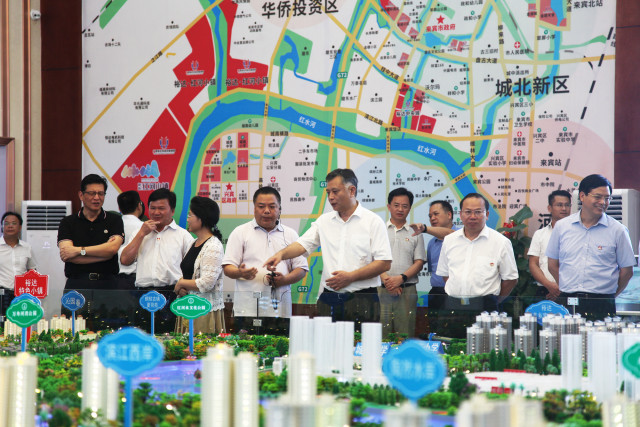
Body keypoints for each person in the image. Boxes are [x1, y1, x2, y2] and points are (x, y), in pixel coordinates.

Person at [264, 168, 392, 327]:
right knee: (325, 341)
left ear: (352, 191)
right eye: (328, 192)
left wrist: (351, 277)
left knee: (361, 342)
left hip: (362, 298)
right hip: (329, 298)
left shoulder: (373, 221)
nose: (330, 197)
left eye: (335, 192)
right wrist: (281, 255)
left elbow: (384, 263)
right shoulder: (324, 221)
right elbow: (302, 245)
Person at [547, 174, 635, 319]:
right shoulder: (562, 227)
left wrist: (609, 295)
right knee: (567, 334)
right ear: (582, 196)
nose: (603, 202)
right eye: (598, 197)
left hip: (602, 302)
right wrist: (568, 286)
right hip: (568, 300)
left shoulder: (618, 230)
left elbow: (627, 271)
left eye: (607, 198)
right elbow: (552, 264)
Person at [222, 187, 308, 334]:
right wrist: (240, 273)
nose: (266, 211)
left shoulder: (290, 234)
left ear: (280, 209)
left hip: (280, 311)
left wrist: (284, 280)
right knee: (246, 348)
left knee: (280, 348)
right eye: (261, 206)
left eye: (272, 206)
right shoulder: (240, 232)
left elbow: (301, 269)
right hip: (246, 310)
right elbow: (228, 267)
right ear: (254, 209)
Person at [436, 193, 518, 329]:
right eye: (468, 212)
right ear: (461, 214)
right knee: (452, 341)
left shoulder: (501, 242)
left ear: (487, 214)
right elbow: (446, 274)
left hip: (486, 308)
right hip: (453, 306)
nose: (473, 216)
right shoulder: (449, 240)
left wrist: (492, 300)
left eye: (478, 212)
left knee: (485, 343)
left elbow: (511, 279)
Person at [120, 188, 194, 332]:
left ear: (172, 210)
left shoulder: (183, 236)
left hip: (172, 295)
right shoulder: (139, 233)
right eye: (152, 208)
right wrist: (141, 234)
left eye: (161, 208)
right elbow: (125, 260)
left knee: (171, 339)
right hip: (143, 295)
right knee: (144, 338)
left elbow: (192, 269)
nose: (156, 212)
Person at [57, 174, 124, 291]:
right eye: (92, 193)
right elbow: (67, 255)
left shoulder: (114, 220)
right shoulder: (68, 222)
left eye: (101, 193)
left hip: (107, 284)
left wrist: (78, 251)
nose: (97, 197)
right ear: (81, 195)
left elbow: (112, 249)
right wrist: (104, 254)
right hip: (76, 284)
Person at [378, 188, 426, 338]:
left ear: (410, 208)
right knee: (381, 334)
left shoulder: (415, 232)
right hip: (381, 289)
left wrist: (401, 279)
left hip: (407, 290)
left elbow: (419, 262)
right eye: (396, 205)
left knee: (405, 333)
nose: (400, 209)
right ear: (389, 207)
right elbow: (373, 259)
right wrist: (388, 281)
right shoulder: (379, 230)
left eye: (404, 206)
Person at [174, 197, 226, 335]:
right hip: (188, 307)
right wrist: (181, 289)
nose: (187, 219)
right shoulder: (193, 242)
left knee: (200, 347)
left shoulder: (213, 246)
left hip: (203, 311)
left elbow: (207, 282)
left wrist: (181, 283)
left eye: (190, 215)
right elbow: (188, 274)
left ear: (201, 218)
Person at [527, 190, 572, 300]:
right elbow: (533, 264)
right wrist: (549, 285)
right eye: (559, 205)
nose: (564, 209)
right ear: (549, 208)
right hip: (545, 289)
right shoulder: (540, 234)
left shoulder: (578, 234)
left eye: (567, 205)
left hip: (570, 290)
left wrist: (561, 287)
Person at [0, 211, 38, 318]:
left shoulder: (27, 247)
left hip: (22, 295)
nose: (10, 226)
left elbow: (32, 270)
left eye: (14, 223)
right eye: (6, 223)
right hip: (2, 294)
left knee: (20, 324)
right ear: (2, 227)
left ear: (20, 227)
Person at [116, 190, 144, 290]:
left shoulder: (113, 226)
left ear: (119, 208)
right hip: (137, 279)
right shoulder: (144, 228)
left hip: (114, 279)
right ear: (139, 206)